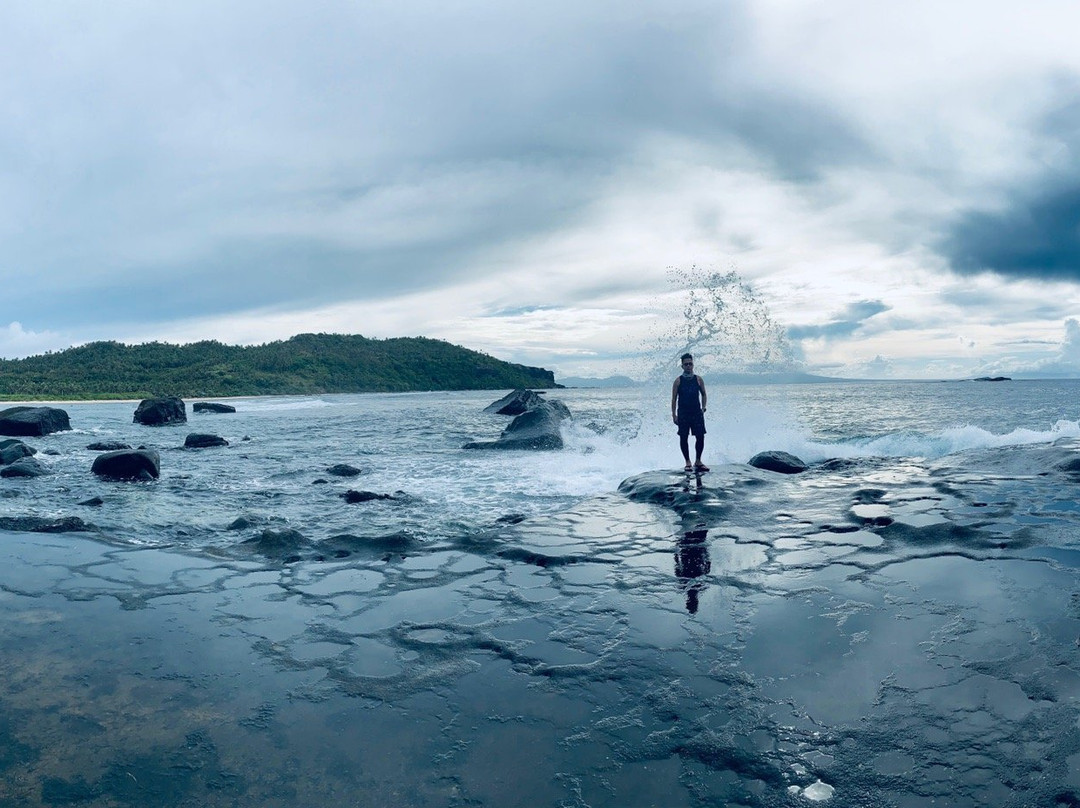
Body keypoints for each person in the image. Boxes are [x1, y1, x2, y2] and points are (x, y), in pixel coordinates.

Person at [671, 353, 709, 472]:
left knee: (700, 436)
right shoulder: (678, 381)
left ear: (693, 365)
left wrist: (703, 407)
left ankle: (698, 461)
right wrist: (674, 415)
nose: (688, 366)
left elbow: (704, 394)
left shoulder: (698, 379)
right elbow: (674, 399)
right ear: (682, 366)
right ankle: (687, 462)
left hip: (696, 412)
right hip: (683, 413)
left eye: (690, 364)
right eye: (686, 364)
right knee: (683, 437)